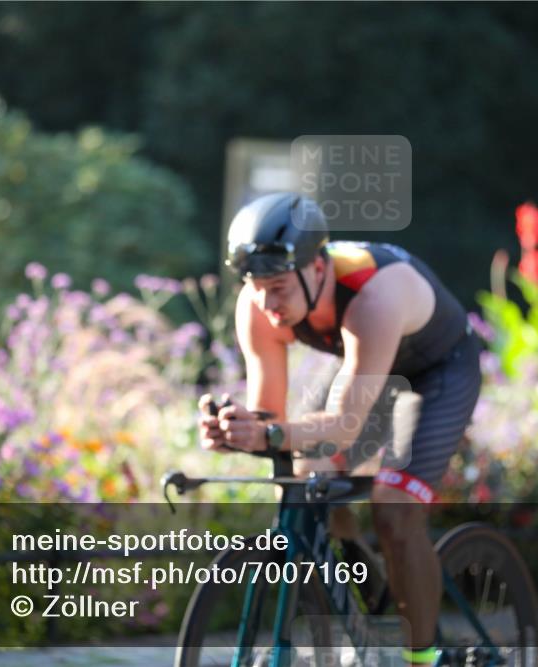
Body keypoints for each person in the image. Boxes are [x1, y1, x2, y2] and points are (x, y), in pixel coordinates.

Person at [198, 192, 482, 666]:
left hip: (440, 372)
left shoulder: (375, 295)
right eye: (256, 285)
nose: (267, 303)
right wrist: (237, 430)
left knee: (393, 509)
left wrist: (269, 434)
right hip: (369, 366)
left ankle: (423, 657)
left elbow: (344, 427)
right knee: (305, 478)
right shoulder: (259, 304)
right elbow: (272, 420)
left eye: (280, 288)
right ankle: (369, 593)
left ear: (317, 269)